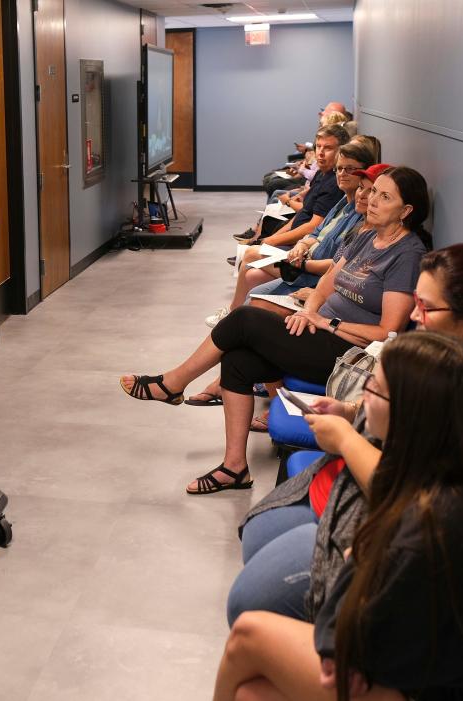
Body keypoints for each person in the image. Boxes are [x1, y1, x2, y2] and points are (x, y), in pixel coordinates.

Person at [213, 333, 463, 701]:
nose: (364, 393)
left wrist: (358, 559)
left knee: (248, 635)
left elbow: (344, 643)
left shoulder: (429, 524)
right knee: (253, 692)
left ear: (413, 415)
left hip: (457, 687)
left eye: (375, 386)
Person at [227, 245, 463, 627]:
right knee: (262, 539)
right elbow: (409, 421)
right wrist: (352, 411)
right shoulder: (446, 362)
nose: (414, 317)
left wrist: (345, 440)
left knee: (250, 603)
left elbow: (431, 504)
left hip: (420, 543)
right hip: (383, 500)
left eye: (426, 307)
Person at [121, 166, 430, 495]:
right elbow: (327, 283)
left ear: (406, 211)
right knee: (238, 361)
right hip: (319, 331)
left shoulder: (407, 255)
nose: (372, 200)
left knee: (243, 320)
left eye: (385, 196)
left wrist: (329, 322)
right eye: (374, 192)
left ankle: (173, 383)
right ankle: (234, 468)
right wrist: (310, 311)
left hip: (348, 353)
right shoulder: (368, 236)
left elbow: (388, 331)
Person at [210, 145, 380, 327]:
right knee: (252, 269)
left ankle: (232, 318)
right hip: (304, 260)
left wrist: (302, 265)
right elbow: (315, 232)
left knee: (252, 264)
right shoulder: (344, 203)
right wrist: (301, 246)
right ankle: (232, 317)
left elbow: (334, 266)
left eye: (350, 169)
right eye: (339, 168)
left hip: (310, 271)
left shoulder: (362, 221)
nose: (343, 173)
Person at [234, 125, 349, 248]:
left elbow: (313, 226)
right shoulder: (322, 172)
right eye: (318, 147)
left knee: (252, 256)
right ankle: (254, 241)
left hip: (301, 244)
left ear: (340, 152)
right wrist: (269, 240)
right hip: (295, 232)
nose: (320, 153)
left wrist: (271, 241)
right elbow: (303, 213)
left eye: (328, 148)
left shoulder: (334, 182)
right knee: (264, 233)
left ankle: (253, 242)